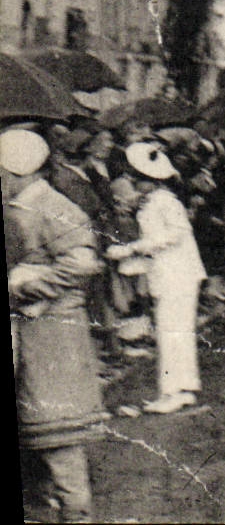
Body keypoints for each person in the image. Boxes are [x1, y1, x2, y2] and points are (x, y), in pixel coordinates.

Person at [5, 125, 108, 522]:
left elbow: (82, 263)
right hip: (32, 331)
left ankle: (76, 513)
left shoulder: (52, 205)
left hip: (53, 333)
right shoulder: (23, 204)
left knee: (56, 429)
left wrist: (28, 284)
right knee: (36, 425)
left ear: (17, 171)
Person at [105, 141, 206, 415]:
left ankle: (173, 391)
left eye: (137, 180)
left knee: (171, 332)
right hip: (170, 273)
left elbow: (176, 233)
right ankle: (181, 388)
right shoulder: (155, 201)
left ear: (150, 180)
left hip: (178, 275)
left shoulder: (166, 202)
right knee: (174, 332)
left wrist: (132, 249)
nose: (134, 184)